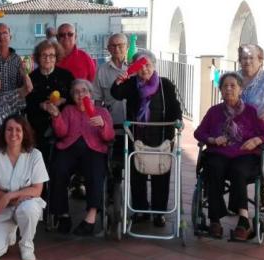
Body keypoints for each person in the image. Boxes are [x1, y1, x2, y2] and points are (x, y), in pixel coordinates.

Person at [194, 73, 264, 240]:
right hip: (219, 153)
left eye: (233, 86)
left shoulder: (251, 112)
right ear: (221, 90)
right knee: (213, 168)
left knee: (239, 171)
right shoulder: (214, 111)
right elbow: (199, 133)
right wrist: (213, 139)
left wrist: (256, 140)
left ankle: (244, 220)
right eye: (225, 86)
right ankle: (215, 220)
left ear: (240, 90)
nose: (229, 89)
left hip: (244, 155)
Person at [111, 50, 183, 227]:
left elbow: (175, 107)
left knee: (161, 175)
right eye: (140, 66)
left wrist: (178, 121)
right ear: (135, 68)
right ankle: (141, 210)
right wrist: (120, 79)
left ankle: (159, 212)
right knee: (137, 174)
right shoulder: (131, 84)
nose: (144, 69)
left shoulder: (165, 84)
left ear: (154, 65)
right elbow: (116, 94)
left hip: (162, 137)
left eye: (148, 65)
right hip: (138, 137)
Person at [45, 79, 115, 235]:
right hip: (69, 148)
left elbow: (109, 137)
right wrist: (56, 116)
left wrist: (103, 126)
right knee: (58, 169)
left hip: (94, 150)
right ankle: (63, 215)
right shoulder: (69, 110)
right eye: (76, 92)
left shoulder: (102, 112)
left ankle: (90, 218)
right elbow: (61, 133)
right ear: (72, 96)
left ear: (91, 94)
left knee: (96, 171)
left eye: (84, 91)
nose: (80, 94)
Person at [0, 115, 49, 260]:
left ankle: (27, 244)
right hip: (3, 208)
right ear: (3, 132)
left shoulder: (35, 155)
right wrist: (9, 200)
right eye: (9, 129)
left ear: (24, 133)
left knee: (29, 209)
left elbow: (37, 190)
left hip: (25, 204)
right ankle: (10, 232)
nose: (13, 134)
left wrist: (9, 197)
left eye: (18, 130)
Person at [92, 33, 130, 205]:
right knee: (112, 163)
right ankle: (112, 193)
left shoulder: (135, 68)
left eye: (120, 45)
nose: (117, 49)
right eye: (113, 46)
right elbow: (97, 100)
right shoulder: (102, 71)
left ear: (127, 47)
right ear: (108, 49)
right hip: (112, 126)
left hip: (133, 126)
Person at [25, 39, 73, 155]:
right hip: (38, 126)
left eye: (52, 55)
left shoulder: (66, 76)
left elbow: (74, 98)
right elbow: (25, 103)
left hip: (64, 124)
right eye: (44, 55)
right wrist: (41, 105)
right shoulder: (31, 78)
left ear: (57, 57)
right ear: (38, 57)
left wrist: (63, 100)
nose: (48, 59)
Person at [237, 44, 264, 122]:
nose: (247, 61)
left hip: (259, 132)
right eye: (244, 58)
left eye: (251, 58)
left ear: (260, 61)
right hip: (235, 132)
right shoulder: (232, 79)